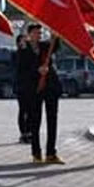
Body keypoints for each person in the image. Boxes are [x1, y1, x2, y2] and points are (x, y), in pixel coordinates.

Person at [18, 23, 64, 164]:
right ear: (29, 34)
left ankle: (51, 153)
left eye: (40, 32)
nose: (39, 35)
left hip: (50, 87)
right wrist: (37, 71)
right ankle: (36, 153)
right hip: (34, 89)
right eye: (36, 33)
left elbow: (55, 45)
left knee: (52, 120)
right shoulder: (23, 50)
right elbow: (21, 71)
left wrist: (54, 33)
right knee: (35, 121)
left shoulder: (45, 46)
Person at [11, 33, 30, 145]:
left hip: (31, 86)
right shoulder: (16, 54)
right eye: (23, 41)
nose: (25, 43)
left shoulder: (29, 53)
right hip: (21, 86)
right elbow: (17, 67)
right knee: (23, 110)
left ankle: (29, 132)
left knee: (31, 110)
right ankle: (23, 133)